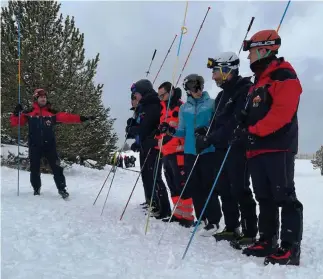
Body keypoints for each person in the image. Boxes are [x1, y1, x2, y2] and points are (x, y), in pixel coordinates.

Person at [236, 29, 303, 266]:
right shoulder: (259, 82)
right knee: (264, 196)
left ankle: (290, 246)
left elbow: (282, 114)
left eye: (252, 52)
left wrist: (253, 131)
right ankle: (267, 239)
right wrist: (243, 125)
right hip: (256, 149)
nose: (249, 58)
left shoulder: (283, 75)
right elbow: (254, 113)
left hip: (278, 147)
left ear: (265, 49)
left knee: (284, 196)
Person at [195, 52, 258, 246]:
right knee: (224, 188)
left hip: (237, 147)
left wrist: (211, 138)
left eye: (216, 72)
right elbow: (218, 121)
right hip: (221, 148)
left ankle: (249, 231)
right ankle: (232, 227)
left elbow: (234, 122)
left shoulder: (244, 89)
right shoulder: (222, 95)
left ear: (226, 70)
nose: (213, 77)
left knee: (240, 188)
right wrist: (205, 131)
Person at [159, 74, 222, 236]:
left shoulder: (210, 104)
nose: (198, 90)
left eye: (200, 85)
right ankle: (202, 218)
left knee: (208, 185)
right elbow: (182, 130)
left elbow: (216, 125)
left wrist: (207, 131)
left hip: (207, 151)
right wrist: (170, 130)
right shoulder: (184, 108)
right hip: (190, 152)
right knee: (194, 186)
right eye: (194, 86)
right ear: (187, 88)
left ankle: (214, 220)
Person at [10, 88, 95, 198]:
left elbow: (67, 117)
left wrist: (82, 118)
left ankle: (62, 189)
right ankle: (36, 189)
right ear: (36, 99)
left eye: (45, 97)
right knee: (34, 169)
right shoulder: (29, 113)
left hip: (49, 146)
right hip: (34, 146)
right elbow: (16, 122)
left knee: (57, 168)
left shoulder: (52, 113)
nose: (43, 99)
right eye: (41, 97)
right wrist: (15, 113)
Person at [126, 79, 171, 219]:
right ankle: (152, 202)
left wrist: (132, 129)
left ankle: (163, 208)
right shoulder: (144, 106)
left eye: (136, 94)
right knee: (146, 175)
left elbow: (145, 128)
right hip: (146, 145)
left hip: (154, 146)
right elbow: (141, 127)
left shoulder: (152, 105)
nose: (135, 97)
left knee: (154, 176)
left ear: (143, 92)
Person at [155, 82, 194, 227]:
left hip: (178, 150)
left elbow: (184, 128)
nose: (161, 98)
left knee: (181, 183)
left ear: (170, 92)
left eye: (162, 95)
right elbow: (161, 130)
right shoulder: (163, 109)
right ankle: (177, 213)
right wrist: (159, 139)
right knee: (171, 183)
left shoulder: (181, 107)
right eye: (159, 96)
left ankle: (187, 216)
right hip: (166, 151)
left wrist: (172, 130)